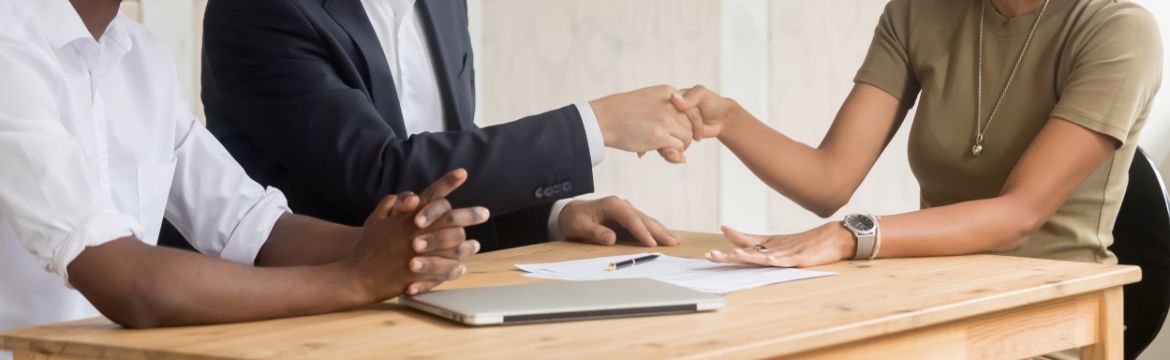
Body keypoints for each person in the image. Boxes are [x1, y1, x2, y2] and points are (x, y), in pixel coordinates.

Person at [0, 0, 489, 343]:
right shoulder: (9, 48)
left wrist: (403, 246)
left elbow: (252, 226)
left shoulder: (139, 55)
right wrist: (355, 279)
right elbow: (131, 287)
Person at [675, 0, 1162, 281]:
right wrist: (731, 122)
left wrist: (852, 236)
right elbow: (829, 180)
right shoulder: (918, 11)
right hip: (924, 291)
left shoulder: (1117, 31)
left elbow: (1018, 216)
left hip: (1048, 307)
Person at [198, 0, 692, 252]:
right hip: (307, 311)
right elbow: (385, 181)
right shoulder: (261, 10)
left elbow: (451, 160)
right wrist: (596, 124)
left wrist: (552, 216)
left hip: (436, 294)